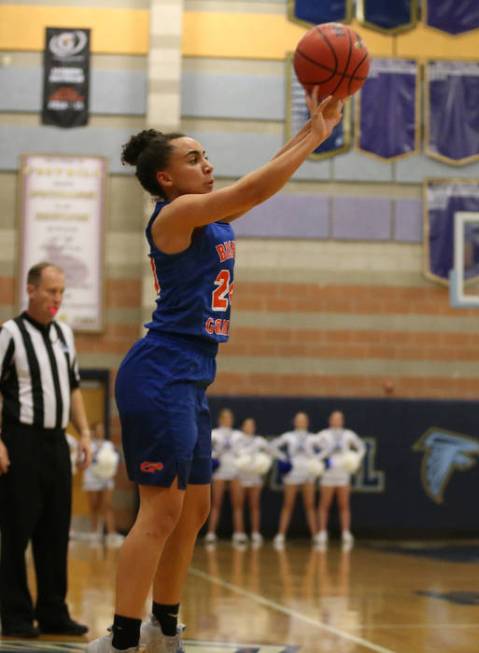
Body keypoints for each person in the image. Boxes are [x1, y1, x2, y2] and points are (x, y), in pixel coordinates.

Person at [86, 91, 345, 653]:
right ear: (166, 178)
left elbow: (251, 190)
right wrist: (313, 139)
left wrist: (312, 129)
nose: (207, 165)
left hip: (191, 373)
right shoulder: (176, 214)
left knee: (195, 508)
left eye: (206, 156)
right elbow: (254, 189)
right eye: (194, 159)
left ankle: (165, 626)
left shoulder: (207, 210)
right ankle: (123, 639)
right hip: (160, 371)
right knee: (162, 510)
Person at [0, 262, 93, 639]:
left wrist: (84, 432)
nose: (57, 299)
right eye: (51, 291)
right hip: (21, 442)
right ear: (31, 290)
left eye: (61, 293)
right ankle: (16, 615)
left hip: (57, 444)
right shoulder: (9, 334)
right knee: (16, 531)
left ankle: (54, 611)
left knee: (56, 530)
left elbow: (72, 387)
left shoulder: (65, 335)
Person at [312, 411, 366, 550]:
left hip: (343, 474)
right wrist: (320, 459)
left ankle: (346, 533)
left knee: (344, 504)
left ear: (343, 420)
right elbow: (311, 448)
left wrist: (356, 459)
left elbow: (361, 447)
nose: (336, 421)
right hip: (328, 473)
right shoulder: (323, 435)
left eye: (339, 419)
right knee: (324, 504)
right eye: (334, 419)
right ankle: (322, 532)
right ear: (330, 420)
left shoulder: (348, 434)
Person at [271, 411, 320, 549]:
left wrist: (317, 459)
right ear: (294, 422)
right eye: (298, 420)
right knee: (288, 504)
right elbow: (272, 446)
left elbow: (327, 448)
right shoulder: (289, 436)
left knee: (310, 505)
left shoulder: (313, 438)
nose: (301, 422)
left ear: (307, 422)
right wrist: (283, 457)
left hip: (308, 472)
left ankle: (315, 535)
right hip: (292, 472)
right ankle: (281, 535)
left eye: (303, 420)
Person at [230, 417, 271, 547]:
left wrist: (263, 462)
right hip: (240, 476)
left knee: (255, 505)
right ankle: (239, 533)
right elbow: (232, 454)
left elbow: (271, 451)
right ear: (243, 427)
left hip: (254, 477)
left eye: (251, 425)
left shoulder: (259, 441)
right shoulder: (237, 440)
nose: (249, 427)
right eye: (246, 425)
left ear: (254, 428)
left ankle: (255, 533)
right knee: (238, 505)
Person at [204, 408, 243, 544]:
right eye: (225, 417)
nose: (228, 420)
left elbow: (244, 451)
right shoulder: (214, 434)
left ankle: (238, 533)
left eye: (230, 417)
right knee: (216, 503)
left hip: (234, 471)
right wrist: (215, 456)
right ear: (220, 419)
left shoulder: (238, 435)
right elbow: (206, 449)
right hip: (219, 471)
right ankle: (211, 533)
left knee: (237, 504)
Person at [83, 422, 123, 547]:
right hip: (91, 478)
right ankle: (94, 533)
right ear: (93, 431)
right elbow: (82, 460)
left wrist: (111, 471)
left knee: (107, 505)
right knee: (94, 506)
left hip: (107, 479)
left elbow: (115, 460)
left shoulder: (109, 445)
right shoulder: (88, 444)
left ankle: (111, 533)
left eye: (102, 429)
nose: (100, 432)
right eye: (98, 430)